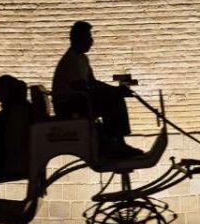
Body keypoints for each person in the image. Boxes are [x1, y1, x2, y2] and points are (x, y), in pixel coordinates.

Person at [51, 21, 144, 159]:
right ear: (78, 39)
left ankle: (118, 141)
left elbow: (92, 82)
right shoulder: (71, 60)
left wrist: (115, 91)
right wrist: (112, 93)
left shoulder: (82, 58)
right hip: (68, 106)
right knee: (111, 101)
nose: (91, 42)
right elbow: (82, 88)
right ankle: (115, 144)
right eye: (88, 38)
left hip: (78, 100)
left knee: (115, 98)